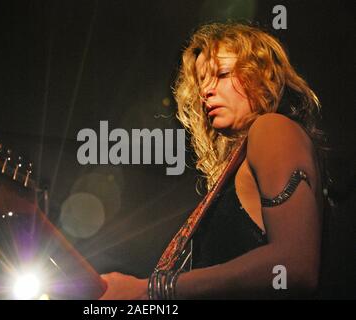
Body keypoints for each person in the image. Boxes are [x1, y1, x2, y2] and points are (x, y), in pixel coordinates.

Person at [99, 22, 328, 299]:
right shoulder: (242, 158)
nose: (206, 91)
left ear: (261, 73)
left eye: (221, 74)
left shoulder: (271, 128)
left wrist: (151, 290)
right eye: (202, 82)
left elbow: (295, 265)